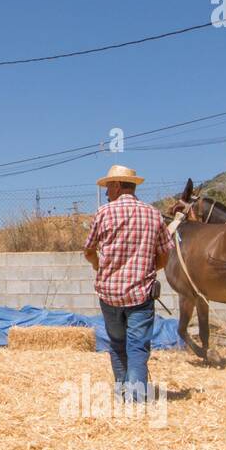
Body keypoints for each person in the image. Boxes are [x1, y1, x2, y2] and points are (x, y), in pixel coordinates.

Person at [83, 165, 173, 403]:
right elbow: (165, 254)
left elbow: (89, 249)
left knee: (117, 344)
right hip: (140, 295)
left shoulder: (103, 213)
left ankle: (122, 392)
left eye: (107, 187)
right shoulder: (153, 214)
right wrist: (151, 268)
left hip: (109, 294)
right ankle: (136, 399)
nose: (105, 192)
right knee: (138, 347)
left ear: (116, 185)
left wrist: (98, 265)